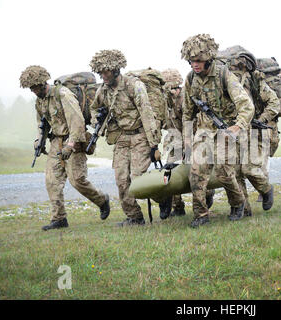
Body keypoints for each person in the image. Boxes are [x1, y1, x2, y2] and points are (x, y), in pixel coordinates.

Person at [19, 65, 110, 231]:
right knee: (52, 181)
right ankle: (59, 218)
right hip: (56, 142)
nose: (33, 91)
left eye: (35, 87)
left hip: (72, 141)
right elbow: (42, 124)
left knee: (77, 181)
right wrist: (39, 141)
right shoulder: (40, 101)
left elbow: (77, 121)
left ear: (42, 83)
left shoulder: (63, 94)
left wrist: (70, 144)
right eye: (31, 88)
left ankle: (102, 200)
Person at [181, 34, 254, 227]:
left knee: (224, 173)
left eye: (199, 60)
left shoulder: (224, 75)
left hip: (226, 130)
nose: (195, 65)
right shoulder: (190, 80)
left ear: (208, 59)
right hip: (203, 131)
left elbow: (246, 105)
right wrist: (187, 138)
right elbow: (187, 113)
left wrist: (237, 127)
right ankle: (201, 215)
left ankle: (238, 203)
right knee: (196, 174)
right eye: (192, 61)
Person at [89, 50, 161, 226]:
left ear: (115, 70)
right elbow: (93, 108)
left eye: (106, 72)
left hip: (140, 136)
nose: (103, 76)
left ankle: (165, 197)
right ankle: (134, 216)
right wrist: (97, 120)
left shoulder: (134, 86)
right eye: (100, 73)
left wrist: (154, 145)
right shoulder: (103, 91)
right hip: (121, 138)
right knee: (121, 180)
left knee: (138, 179)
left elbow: (146, 113)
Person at [226, 52, 279, 216]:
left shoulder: (256, 81)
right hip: (237, 130)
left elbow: (274, 103)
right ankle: (245, 208)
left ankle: (266, 189)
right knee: (235, 171)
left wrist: (261, 119)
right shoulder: (227, 82)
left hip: (257, 131)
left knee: (249, 168)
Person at [161, 68, 215, 218]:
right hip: (176, 139)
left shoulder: (187, 99)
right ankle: (177, 207)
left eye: (174, 88)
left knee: (196, 173)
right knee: (170, 172)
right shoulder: (166, 100)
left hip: (193, 138)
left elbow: (192, 122)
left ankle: (207, 195)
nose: (172, 92)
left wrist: (189, 144)